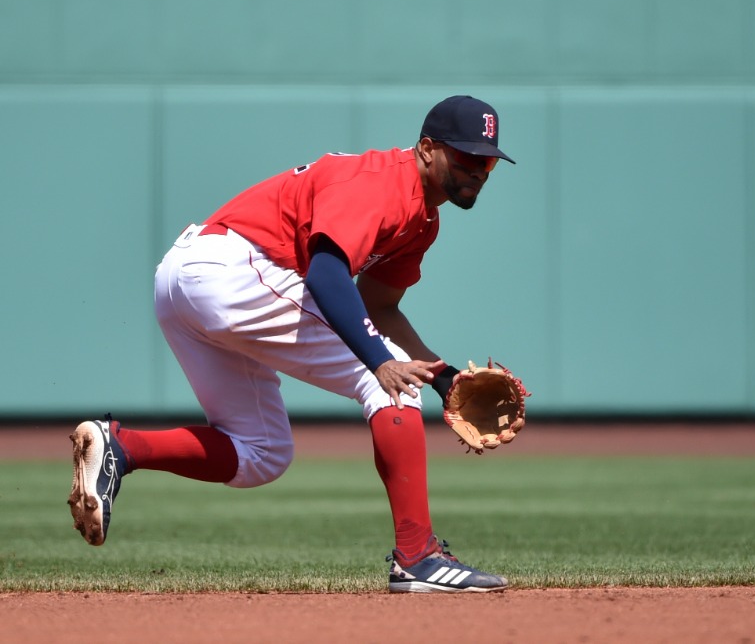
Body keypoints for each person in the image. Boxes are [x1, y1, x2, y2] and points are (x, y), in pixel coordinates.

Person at [66, 95, 516, 593]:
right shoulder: (383, 183)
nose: (480, 170)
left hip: (192, 280)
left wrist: (445, 378)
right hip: (231, 268)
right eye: (467, 156)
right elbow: (326, 275)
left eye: (488, 160)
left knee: (263, 453)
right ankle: (417, 556)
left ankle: (120, 448)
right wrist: (382, 363)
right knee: (390, 385)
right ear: (428, 149)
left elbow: (378, 307)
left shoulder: (422, 222)